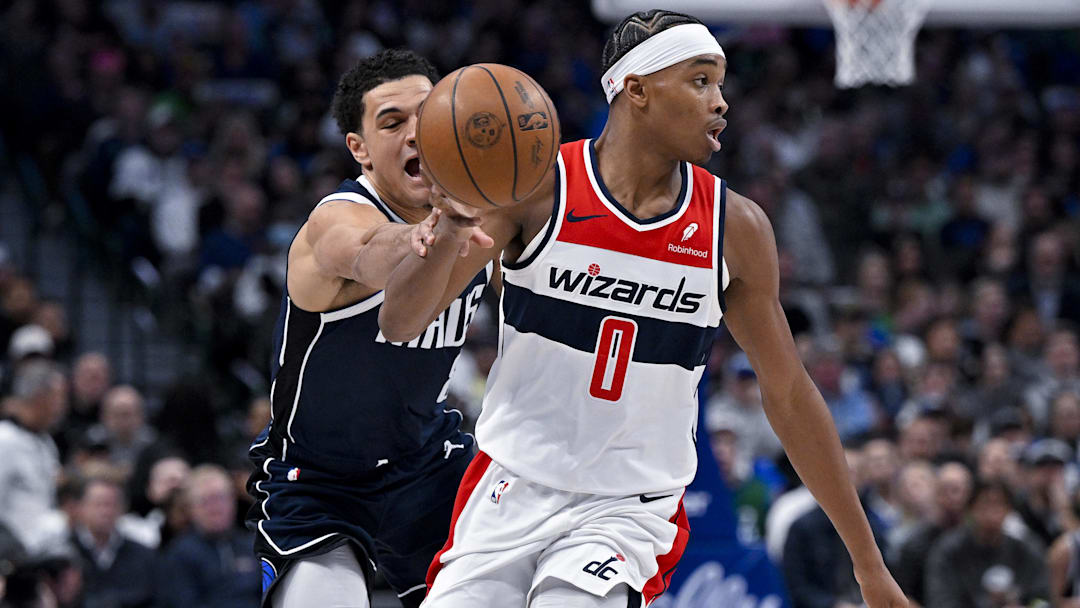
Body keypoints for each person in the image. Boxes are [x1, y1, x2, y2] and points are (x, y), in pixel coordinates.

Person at [380, 9, 907, 607]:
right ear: (637, 90)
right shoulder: (534, 188)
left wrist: (868, 564)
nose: (721, 103)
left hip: (628, 507)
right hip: (511, 486)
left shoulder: (733, 228)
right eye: (701, 80)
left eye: (722, 84)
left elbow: (789, 394)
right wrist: (450, 226)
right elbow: (400, 322)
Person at [245, 49, 492, 608]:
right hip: (318, 482)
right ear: (359, 148)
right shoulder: (336, 217)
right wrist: (424, 234)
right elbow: (364, 252)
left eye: (425, 116)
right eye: (391, 121)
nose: (413, 134)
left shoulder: (484, 212)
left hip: (426, 466)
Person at [161, 465, 260, 608]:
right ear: (190, 508)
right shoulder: (178, 554)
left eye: (221, 497)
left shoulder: (254, 545)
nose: (215, 508)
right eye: (205, 501)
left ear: (233, 500)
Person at [70, 476, 158, 608]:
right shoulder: (66, 551)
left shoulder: (143, 555)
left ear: (122, 509)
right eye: (98, 504)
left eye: (111, 505)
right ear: (81, 507)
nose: (105, 512)